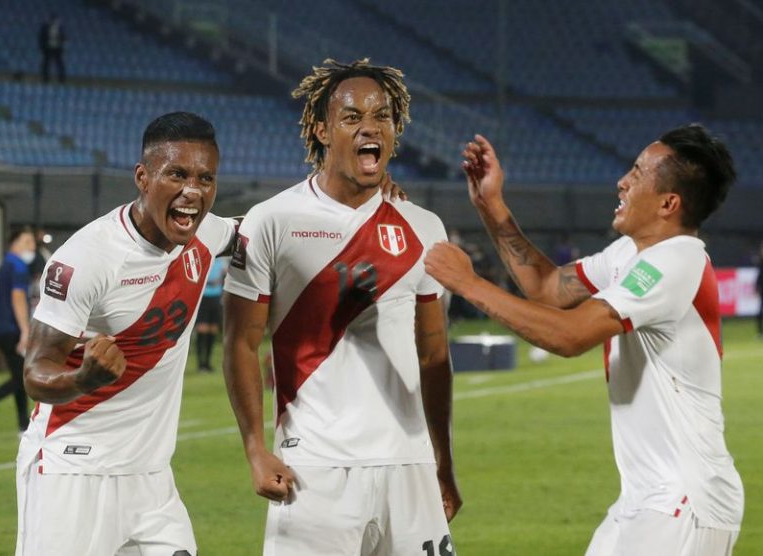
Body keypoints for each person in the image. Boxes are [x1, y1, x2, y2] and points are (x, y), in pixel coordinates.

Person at [425, 126, 744, 555]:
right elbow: (548, 288)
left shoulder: (677, 259)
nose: (622, 182)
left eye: (638, 173)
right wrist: (491, 205)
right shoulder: (630, 254)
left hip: (685, 499)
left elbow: (570, 335)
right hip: (645, 498)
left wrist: (468, 284)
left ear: (669, 203)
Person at [223, 58, 462, 555]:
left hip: (409, 465)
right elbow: (240, 343)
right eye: (352, 117)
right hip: (315, 468)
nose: (370, 127)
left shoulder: (425, 227)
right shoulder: (273, 220)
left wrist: (442, 461)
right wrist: (254, 449)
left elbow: (434, 355)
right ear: (321, 130)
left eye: (382, 116)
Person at [16, 111, 237, 556]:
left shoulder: (206, 234)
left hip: (151, 479)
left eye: (205, 178)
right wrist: (82, 379)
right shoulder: (86, 259)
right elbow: (36, 373)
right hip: (73, 471)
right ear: (143, 177)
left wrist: (361, 199)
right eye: (177, 174)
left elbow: (268, 228)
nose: (193, 191)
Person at [0, 227, 37, 433]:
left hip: (2, 328)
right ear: (15, 243)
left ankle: (23, 424)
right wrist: (25, 330)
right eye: (27, 241)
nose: (33, 247)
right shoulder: (17, 266)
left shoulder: (5, 265)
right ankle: (23, 424)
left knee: (19, 376)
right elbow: (17, 297)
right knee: (21, 378)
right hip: (12, 329)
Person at [195, 256, 228, 372]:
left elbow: (226, 275)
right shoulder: (204, 257)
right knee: (202, 329)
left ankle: (208, 363)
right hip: (203, 297)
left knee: (213, 329)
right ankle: (200, 364)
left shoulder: (222, 261)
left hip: (216, 298)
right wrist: (209, 282)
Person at [38, 14, 66, 83]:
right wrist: (43, 47)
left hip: (57, 48)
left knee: (59, 63)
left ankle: (61, 79)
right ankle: (45, 78)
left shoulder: (60, 28)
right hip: (48, 48)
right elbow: (41, 37)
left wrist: (62, 44)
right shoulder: (45, 27)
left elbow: (63, 37)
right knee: (46, 64)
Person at [756, 241, 763, 339]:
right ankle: (760, 333)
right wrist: (757, 286)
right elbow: (759, 276)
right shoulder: (761, 262)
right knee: (760, 313)